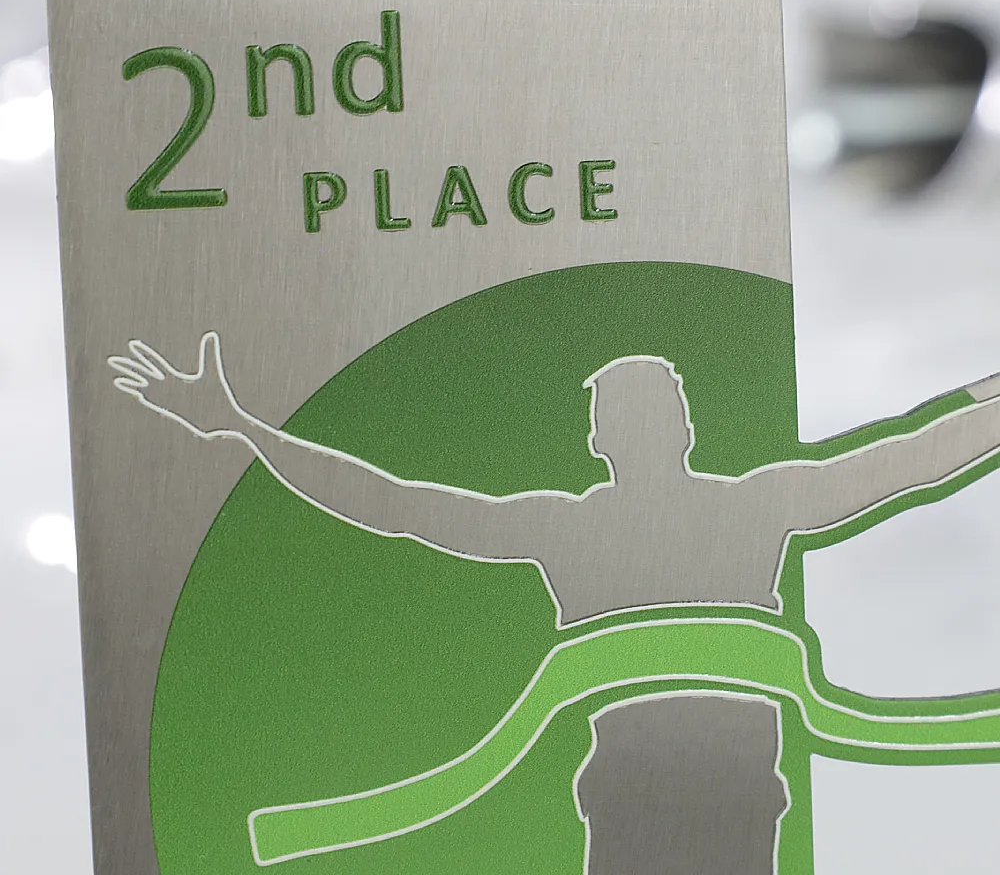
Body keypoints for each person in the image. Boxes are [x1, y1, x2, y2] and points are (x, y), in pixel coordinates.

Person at [109, 331, 1000, 875]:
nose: (638, 425)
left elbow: (914, 457)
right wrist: (247, 431)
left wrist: (248, 431)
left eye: (645, 410)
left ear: (655, 430)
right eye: (628, 413)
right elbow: (396, 505)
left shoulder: (731, 507)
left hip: (722, 794)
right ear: (609, 437)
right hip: (643, 798)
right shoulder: (635, 519)